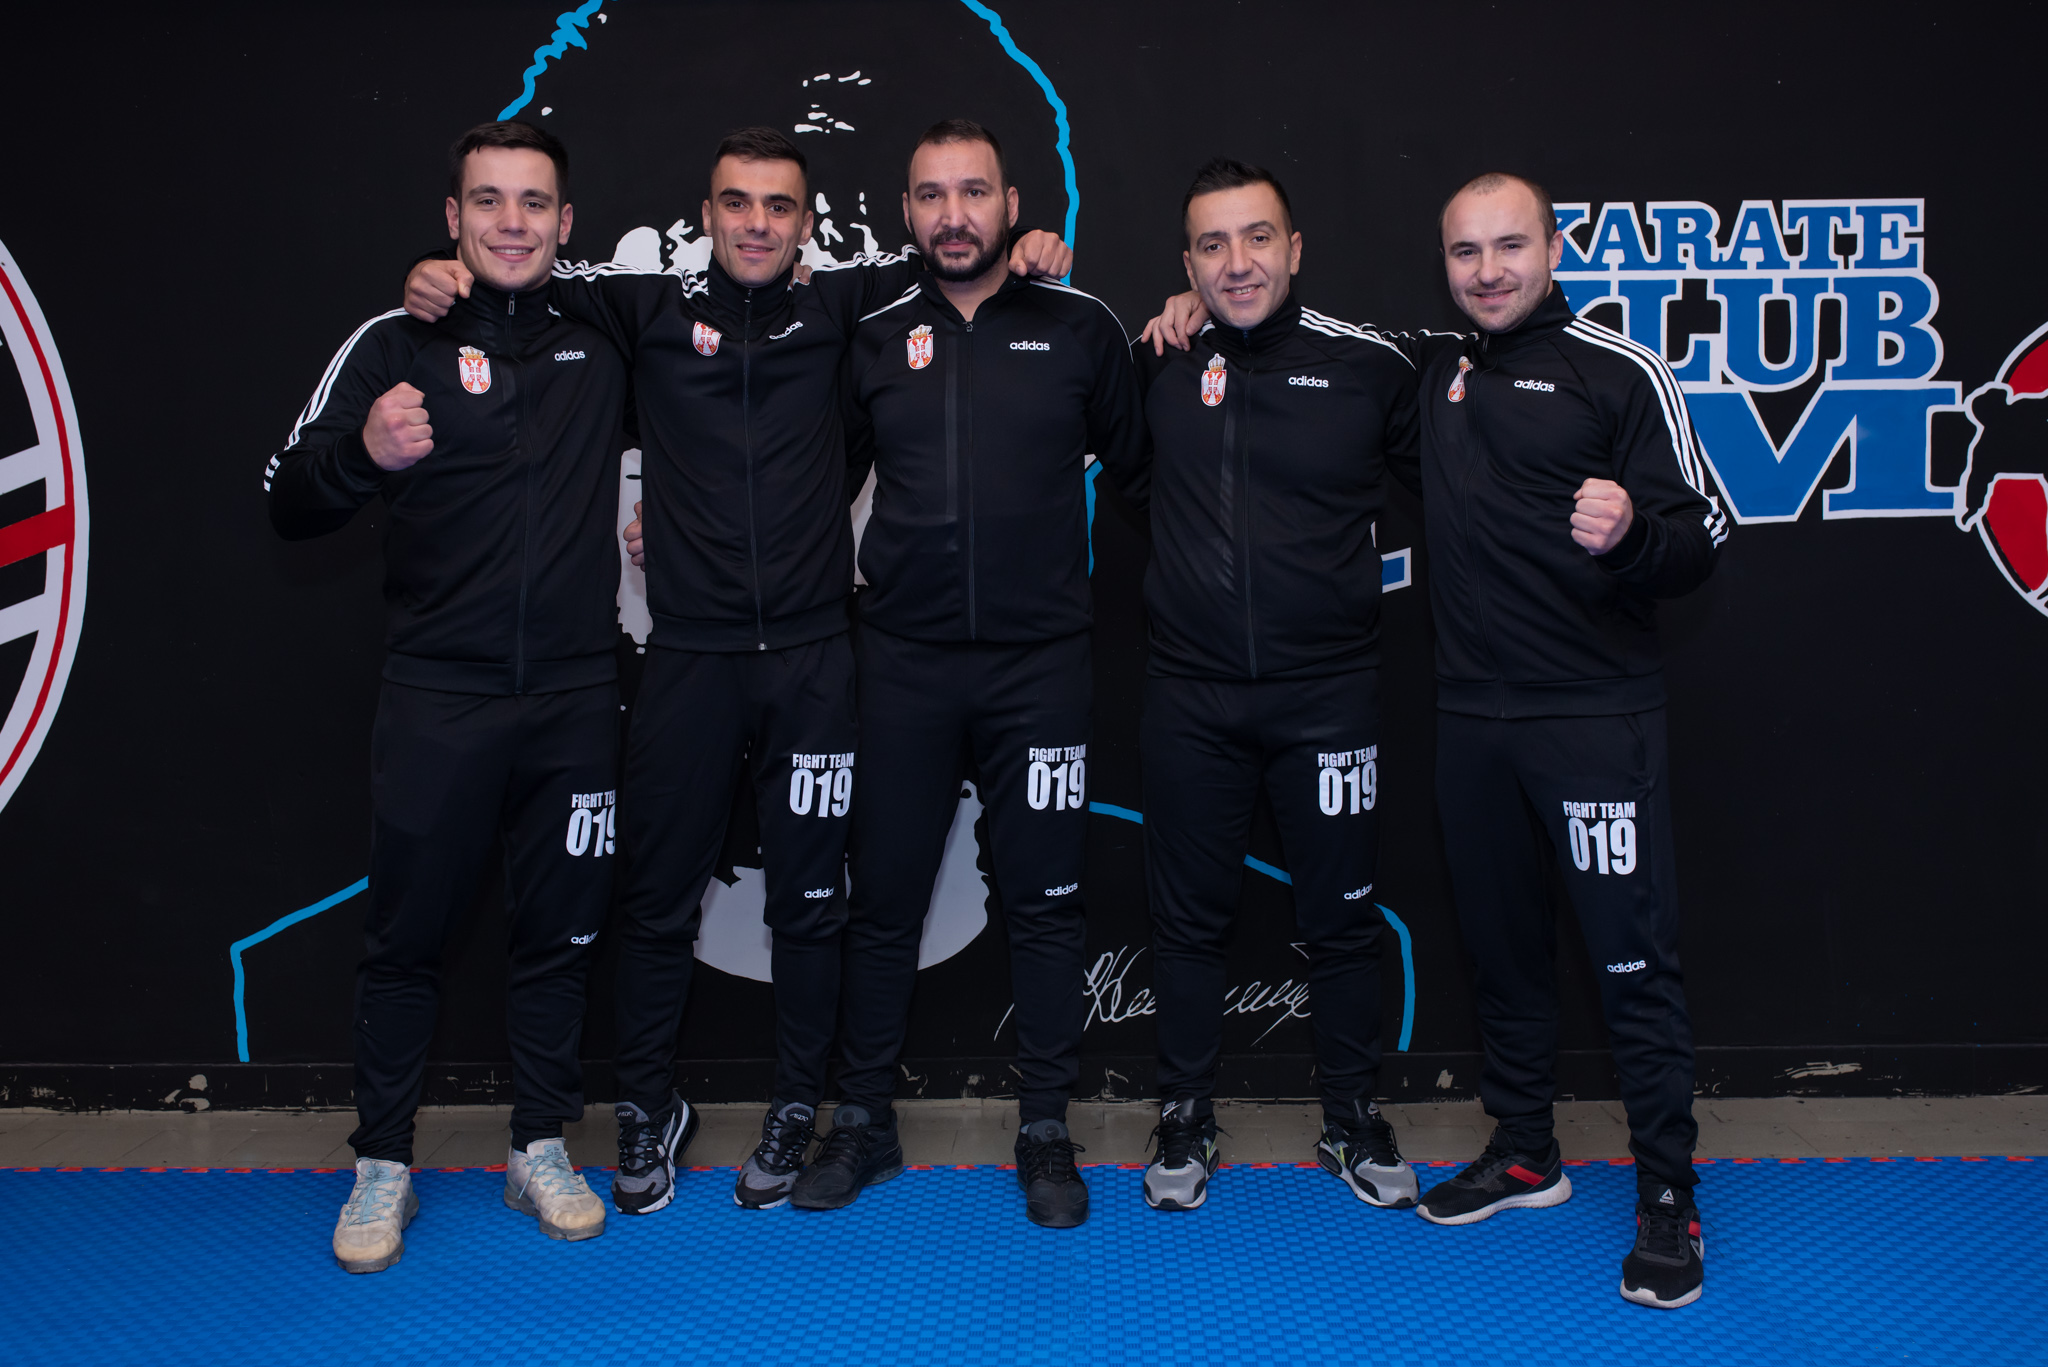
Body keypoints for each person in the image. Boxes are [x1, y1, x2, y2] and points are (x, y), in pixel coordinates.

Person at [402, 128, 1073, 1214]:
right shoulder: (645, 310)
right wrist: (435, 276)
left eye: (778, 206)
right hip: (689, 660)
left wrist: (1035, 247)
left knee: (810, 902)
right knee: (657, 896)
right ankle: (646, 1102)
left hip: (813, 660)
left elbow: (961, 257)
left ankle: (797, 1103)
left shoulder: (844, 307)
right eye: (736, 203)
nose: (757, 224)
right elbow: (519, 274)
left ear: (806, 223)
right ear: (706, 214)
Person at [268, 121, 625, 1272]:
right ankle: (382, 1160)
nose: (512, 222)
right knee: (406, 938)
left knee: (558, 933)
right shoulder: (392, 341)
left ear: (566, 223)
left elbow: (751, 313)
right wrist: (363, 455)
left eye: (533, 202)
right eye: (488, 201)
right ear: (452, 217)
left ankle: (538, 1145)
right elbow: (287, 498)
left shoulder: (605, 334)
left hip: (575, 693)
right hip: (439, 693)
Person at [787, 119, 1147, 1229]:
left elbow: (1149, 471)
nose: (954, 215)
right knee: (883, 900)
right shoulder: (871, 333)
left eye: (974, 192)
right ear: (907, 212)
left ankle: (1044, 1126)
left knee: (1044, 902)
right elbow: (806, 480)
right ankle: (863, 1120)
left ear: (1011, 204)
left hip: (1042, 670)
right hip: (902, 667)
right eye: (932, 194)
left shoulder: (1081, 325)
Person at [1412, 172, 1726, 1310]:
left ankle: (1667, 1189)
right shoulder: (1433, 372)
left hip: (1592, 716)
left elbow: (1705, 529)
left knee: (1630, 960)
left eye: (1509, 246)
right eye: (1465, 252)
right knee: (1500, 950)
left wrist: (1633, 530)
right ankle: (1525, 1150)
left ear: (1552, 248)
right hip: (1470, 719)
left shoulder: (1616, 369)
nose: (1487, 270)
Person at [1129, 159, 1421, 1214]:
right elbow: (1118, 480)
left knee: (1341, 920)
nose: (1237, 262)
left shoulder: (1370, 366)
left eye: (1257, 237)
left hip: (1327, 696)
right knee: (1187, 922)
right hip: (1190, 697)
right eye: (1212, 245)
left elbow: (1459, 468)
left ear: (1294, 249)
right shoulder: (1158, 361)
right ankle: (1184, 1113)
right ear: (1187, 264)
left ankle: (1352, 1116)